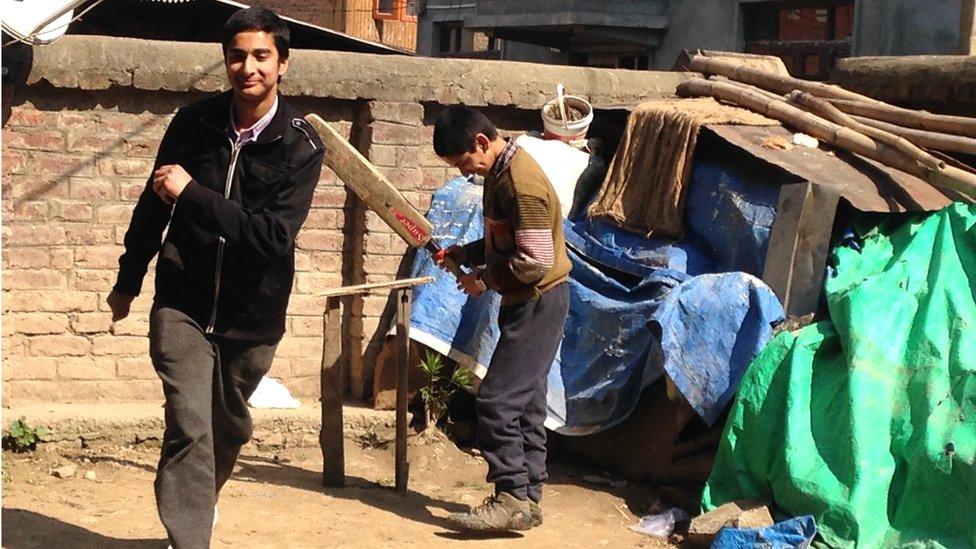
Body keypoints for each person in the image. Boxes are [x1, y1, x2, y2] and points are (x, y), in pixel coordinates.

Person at [106, 8, 323, 548]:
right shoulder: (193, 124)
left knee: (225, 430)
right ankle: (191, 540)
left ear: (283, 65)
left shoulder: (301, 146)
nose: (247, 67)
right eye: (236, 55)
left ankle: (200, 504)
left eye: (261, 56)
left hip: (253, 316)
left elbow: (271, 237)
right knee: (190, 426)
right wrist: (129, 279)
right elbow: (151, 207)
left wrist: (193, 194)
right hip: (182, 300)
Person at [433, 105, 572, 532]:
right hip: (533, 301)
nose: (462, 172)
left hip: (537, 301)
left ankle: (510, 494)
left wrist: (483, 280)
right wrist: (467, 254)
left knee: (496, 402)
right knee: (526, 404)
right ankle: (527, 499)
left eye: (462, 162)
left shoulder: (521, 183)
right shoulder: (499, 171)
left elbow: (533, 261)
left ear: (480, 142)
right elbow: (506, 238)